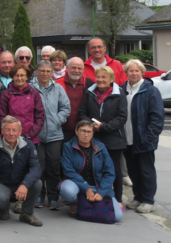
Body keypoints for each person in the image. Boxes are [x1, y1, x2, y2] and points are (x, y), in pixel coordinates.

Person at [78, 66, 128, 209]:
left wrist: (104, 127)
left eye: (104, 77)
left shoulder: (120, 94)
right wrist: (91, 127)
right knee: (93, 168)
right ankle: (97, 196)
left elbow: (122, 117)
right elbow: (82, 112)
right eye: (98, 77)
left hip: (113, 138)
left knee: (114, 170)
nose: (100, 80)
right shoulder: (89, 92)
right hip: (93, 136)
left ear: (112, 79)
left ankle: (118, 198)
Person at [0, 116, 42, 226]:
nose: (11, 133)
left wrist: (25, 184)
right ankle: (4, 208)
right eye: (7, 129)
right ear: (2, 131)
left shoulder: (29, 146)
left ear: (20, 131)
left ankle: (26, 213)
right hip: (2, 184)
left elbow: (36, 168)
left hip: (21, 184)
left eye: (14, 130)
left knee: (37, 183)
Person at [121, 59, 164, 214]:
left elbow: (157, 117)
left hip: (144, 139)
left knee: (146, 170)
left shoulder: (150, 91)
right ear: (126, 73)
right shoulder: (122, 89)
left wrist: (150, 137)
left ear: (142, 72)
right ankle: (138, 197)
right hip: (127, 139)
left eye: (137, 70)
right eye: (130, 71)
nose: (133, 73)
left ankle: (148, 200)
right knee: (133, 171)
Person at [60, 120, 123, 221]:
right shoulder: (68, 146)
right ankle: (77, 203)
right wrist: (86, 188)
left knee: (118, 217)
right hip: (78, 185)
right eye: (83, 131)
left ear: (93, 133)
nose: (86, 134)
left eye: (89, 132)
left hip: (98, 186)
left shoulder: (101, 147)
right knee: (67, 191)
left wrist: (101, 193)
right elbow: (68, 171)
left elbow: (110, 173)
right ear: (76, 131)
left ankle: (86, 203)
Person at [30, 61, 70, 210]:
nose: (45, 74)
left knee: (54, 167)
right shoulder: (31, 88)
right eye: (42, 71)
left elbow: (65, 108)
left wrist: (57, 121)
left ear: (52, 73)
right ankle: (40, 195)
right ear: (37, 72)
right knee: (39, 167)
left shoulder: (58, 88)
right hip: (37, 136)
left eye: (48, 71)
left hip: (55, 135)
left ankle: (53, 197)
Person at [0, 64, 44, 145]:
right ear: (12, 77)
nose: (19, 78)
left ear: (27, 77)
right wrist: (9, 133)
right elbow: (1, 116)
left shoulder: (34, 93)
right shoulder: (6, 94)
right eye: (16, 75)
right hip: (11, 138)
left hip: (31, 139)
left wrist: (29, 135)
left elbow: (40, 116)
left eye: (22, 75)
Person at [55, 57, 95, 143]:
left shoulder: (90, 84)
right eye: (73, 67)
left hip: (85, 131)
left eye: (79, 68)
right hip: (62, 130)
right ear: (67, 67)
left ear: (83, 69)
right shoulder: (57, 84)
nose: (76, 71)